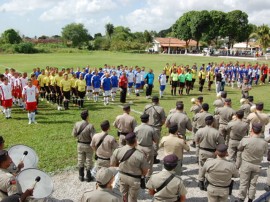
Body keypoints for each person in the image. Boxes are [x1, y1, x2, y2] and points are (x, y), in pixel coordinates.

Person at [110, 133, 149, 202]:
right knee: (132, 198)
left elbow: (112, 164)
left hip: (122, 175)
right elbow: (145, 171)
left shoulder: (118, 150)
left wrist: (120, 165)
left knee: (123, 195)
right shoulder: (140, 155)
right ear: (135, 141)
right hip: (135, 179)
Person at [236, 123, 268, 202]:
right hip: (257, 165)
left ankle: (241, 199)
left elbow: (239, 148)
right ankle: (250, 199)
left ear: (252, 130)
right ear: (260, 131)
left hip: (246, 163)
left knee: (244, 183)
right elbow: (265, 153)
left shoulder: (246, 139)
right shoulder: (264, 143)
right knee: (253, 184)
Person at [72, 110, 96, 182]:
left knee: (80, 160)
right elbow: (93, 137)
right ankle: (88, 177)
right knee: (89, 161)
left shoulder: (77, 124)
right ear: (87, 117)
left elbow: (73, 135)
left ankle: (81, 176)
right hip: (88, 145)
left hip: (80, 144)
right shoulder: (90, 126)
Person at [134, 113, 158, 179]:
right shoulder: (151, 129)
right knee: (149, 164)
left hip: (139, 148)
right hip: (148, 148)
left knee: (139, 163)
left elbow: (134, 139)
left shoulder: (136, 128)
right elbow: (156, 140)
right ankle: (148, 178)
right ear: (148, 119)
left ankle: (140, 176)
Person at [144, 96, 166, 164]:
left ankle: (146, 156)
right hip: (156, 127)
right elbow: (163, 120)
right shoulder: (160, 109)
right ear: (158, 101)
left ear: (152, 100)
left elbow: (143, 116)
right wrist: (160, 125)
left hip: (147, 126)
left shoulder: (147, 107)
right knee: (155, 143)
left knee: (147, 142)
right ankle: (153, 158)